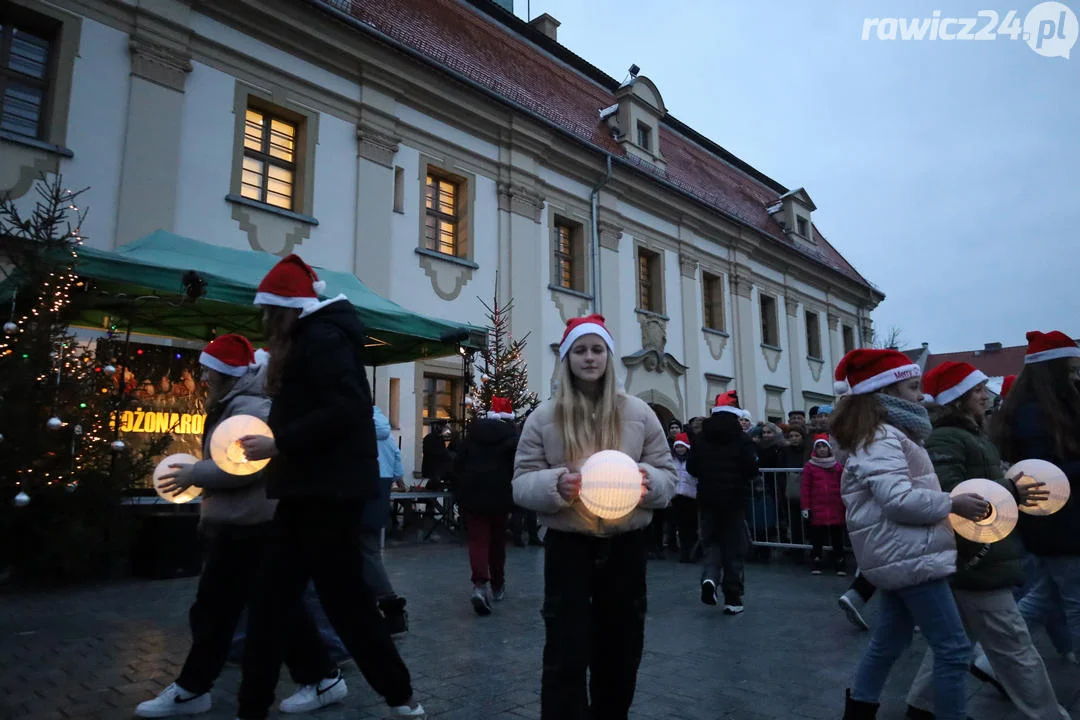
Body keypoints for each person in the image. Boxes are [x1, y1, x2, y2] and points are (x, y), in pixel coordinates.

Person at [235, 254, 424, 719]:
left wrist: (279, 442)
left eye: (268, 313)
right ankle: (262, 702)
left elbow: (347, 408)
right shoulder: (312, 339)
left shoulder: (323, 338)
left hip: (327, 493)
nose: (264, 322)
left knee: (341, 602)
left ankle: (400, 696)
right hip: (308, 492)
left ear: (284, 308)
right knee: (276, 599)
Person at [135, 335, 345, 718]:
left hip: (252, 523)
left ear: (224, 373)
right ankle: (320, 677)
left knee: (219, 610)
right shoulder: (238, 403)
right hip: (246, 522)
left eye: (207, 371)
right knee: (255, 608)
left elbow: (246, 464)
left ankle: (195, 687)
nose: (202, 378)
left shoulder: (250, 406)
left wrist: (196, 473)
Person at [512, 314, 676, 720]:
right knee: (565, 652)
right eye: (580, 350)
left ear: (608, 356)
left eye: (597, 349)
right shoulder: (544, 417)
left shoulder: (638, 412)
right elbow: (520, 482)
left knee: (621, 651)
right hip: (569, 547)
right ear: (567, 358)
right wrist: (555, 485)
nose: (589, 358)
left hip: (625, 547)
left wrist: (648, 481)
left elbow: (668, 475)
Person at [905, 361, 1068, 720]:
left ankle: (920, 706)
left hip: (976, 556)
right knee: (1015, 648)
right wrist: (1012, 490)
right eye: (977, 391)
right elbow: (951, 496)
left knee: (955, 643)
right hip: (976, 559)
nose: (984, 396)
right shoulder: (948, 437)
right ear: (958, 399)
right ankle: (1048, 715)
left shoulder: (972, 434)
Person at [831, 348, 988, 720]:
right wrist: (952, 503)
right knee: (952, 649)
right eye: (914, 387)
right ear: (886, 392)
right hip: (909, 553)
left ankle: (859, 711)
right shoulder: (882, 435)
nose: (922, 396)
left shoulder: (887, 432)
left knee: (889, 641)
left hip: (902, 553)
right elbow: (897, 500)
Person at [992, 330, 1080, 667]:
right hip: (1058, 520)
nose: (1076, 378)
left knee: (1045, 596)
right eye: (1071, 372)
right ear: (1052, 373)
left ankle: (988, 660)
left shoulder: (1052, 408)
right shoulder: (1034, 414)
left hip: (1060, 520)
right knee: (1071, 600)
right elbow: (1048, 473)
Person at [688, 390, 759, 614]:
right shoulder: (742, 438)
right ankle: (733, 597)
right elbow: (751, 467)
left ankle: (709, 578)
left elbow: (691, 467)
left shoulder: (701, 439)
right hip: (734, 500)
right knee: (733, 547)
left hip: (708, 499)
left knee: (711, 543)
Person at [454, 396, 518, 616]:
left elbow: (458, 464)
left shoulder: (472, 436)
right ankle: (498, 583)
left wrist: (461, 487)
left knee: (478, 540)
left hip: (474, 494)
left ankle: (480, 584)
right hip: (500, 494)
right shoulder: (511, 437)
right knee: (498, 541)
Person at [369, 406, 409, 633]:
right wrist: (398, 477)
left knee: (365, 549)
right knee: (370, 545)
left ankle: (388, 604)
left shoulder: (358, 424)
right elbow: (395, 454)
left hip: (363, 480)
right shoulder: (384, 431)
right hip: (382, 482)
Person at [801, 434, 846, 576]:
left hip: (835, 505)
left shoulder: (837, 466)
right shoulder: (810, 466)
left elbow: (844, 485)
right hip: (817, 506)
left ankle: (839, 562)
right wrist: (806, 506)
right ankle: (816, 561)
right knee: (817, 537)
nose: (821, 449)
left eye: (824, 446)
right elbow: (805, 487)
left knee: (837, 537)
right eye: (818, 447)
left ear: (829, 448)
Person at [670, 433, 698, 564]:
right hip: (677, 496)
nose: (679, 449)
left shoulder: (692, 460)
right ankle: (684, 552)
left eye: (682, 447)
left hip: (690, 496)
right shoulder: (672, 460)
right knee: (681, 527)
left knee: (691, 526)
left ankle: (692, 552)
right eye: (677, 447)